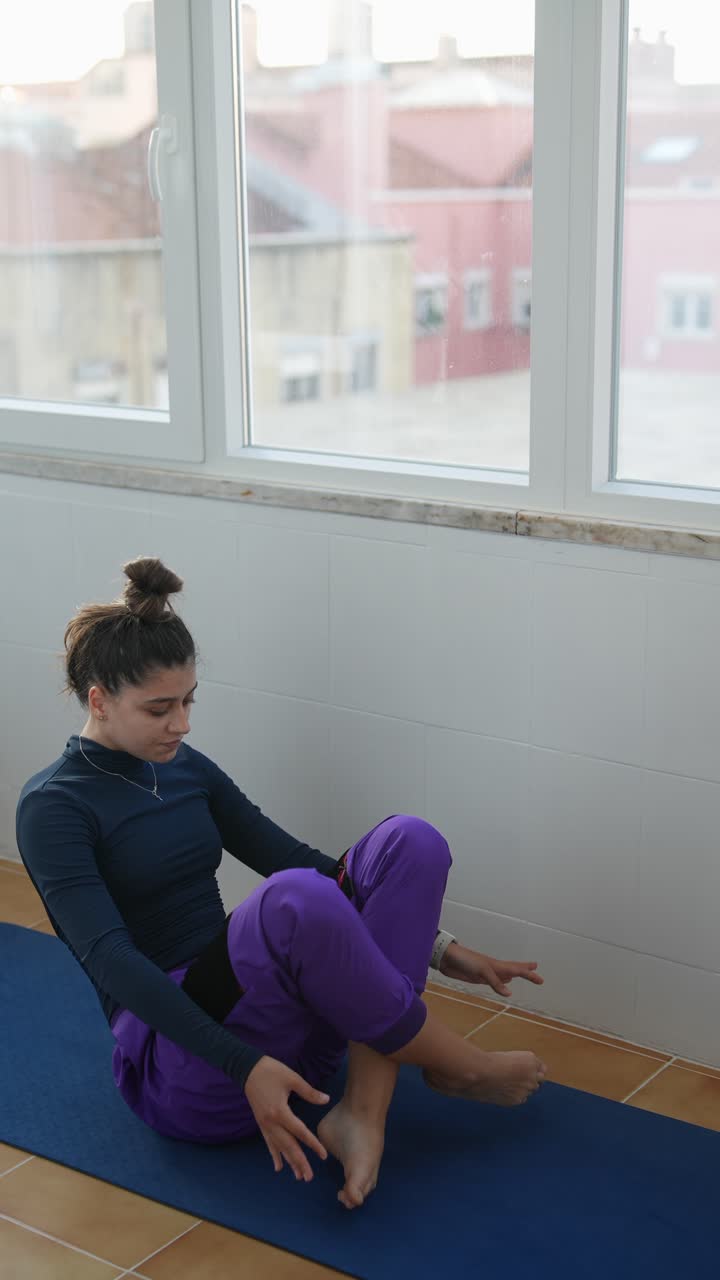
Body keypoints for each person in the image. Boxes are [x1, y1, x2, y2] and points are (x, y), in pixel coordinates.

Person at [17, 557, 547, 1210]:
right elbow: (112, 963)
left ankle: (362, 1112)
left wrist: (441, 947)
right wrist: (244, 1065)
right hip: (191, 1074)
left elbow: (292, 856)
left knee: (409, 842)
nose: (182, 724)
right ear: (99, 699)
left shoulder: (185, 767)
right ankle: (459, 1062)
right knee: (296, 900)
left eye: (188, 701)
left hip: (290, 1056)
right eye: (159, 709)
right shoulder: (54, 807)